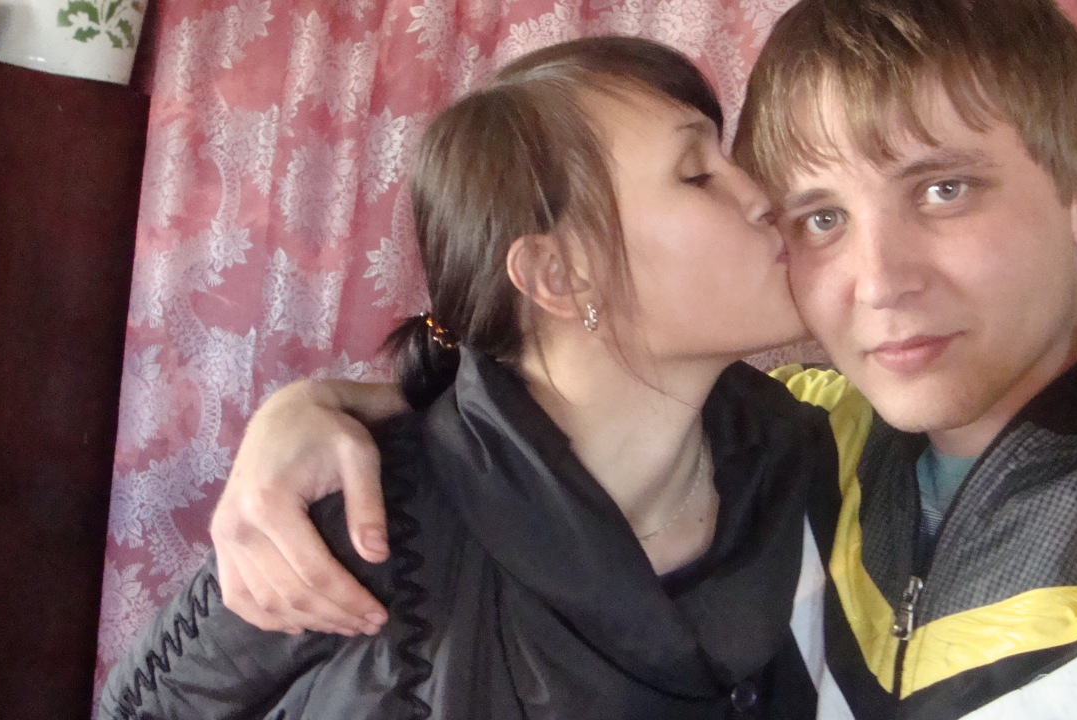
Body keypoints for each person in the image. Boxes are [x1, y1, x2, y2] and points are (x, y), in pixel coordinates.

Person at [208, 0, 1077, 717]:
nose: (877, 281)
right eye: (819, 217)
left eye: (942, 190)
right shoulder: (809, 435)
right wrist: (319, 413)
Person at [99, 36, 838, 719]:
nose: (763, 197)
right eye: (697, 174)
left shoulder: (813, 461)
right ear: (558, 275)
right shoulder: (367, 521)